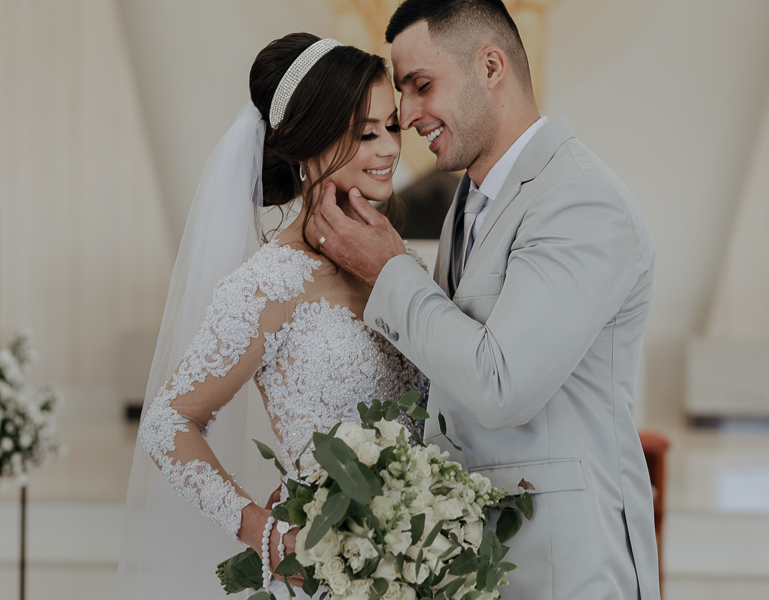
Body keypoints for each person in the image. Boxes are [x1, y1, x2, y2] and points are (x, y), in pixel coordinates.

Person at [310, 1, 660, 599]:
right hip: (478, 560)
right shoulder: (470, 199)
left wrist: (389, 270)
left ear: (491, 66)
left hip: (563, 565)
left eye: (422, 86)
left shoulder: (579, 200)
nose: (409, 115)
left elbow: (502, 385)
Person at [116, 33, 427, 600]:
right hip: (330, 572)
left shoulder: (404, 264)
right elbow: (168, 423)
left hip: (422, 563)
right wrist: (267, 535)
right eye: (365, 132)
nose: (388, 149)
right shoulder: (269, 283)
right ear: (307, 146)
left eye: (393, 127)